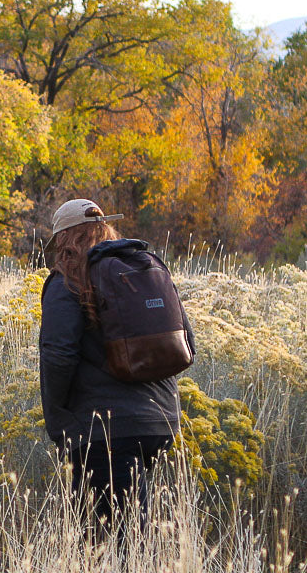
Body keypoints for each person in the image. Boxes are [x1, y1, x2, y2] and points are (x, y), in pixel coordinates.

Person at [39, 198, 193, 551]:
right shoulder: (143, 272)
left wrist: (57, 416)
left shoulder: (68, 282)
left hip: (103, 428)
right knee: (120, 530)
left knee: (118, 541)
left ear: (64, 240)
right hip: (159, 421)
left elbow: (58, 356)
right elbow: (188, 342)